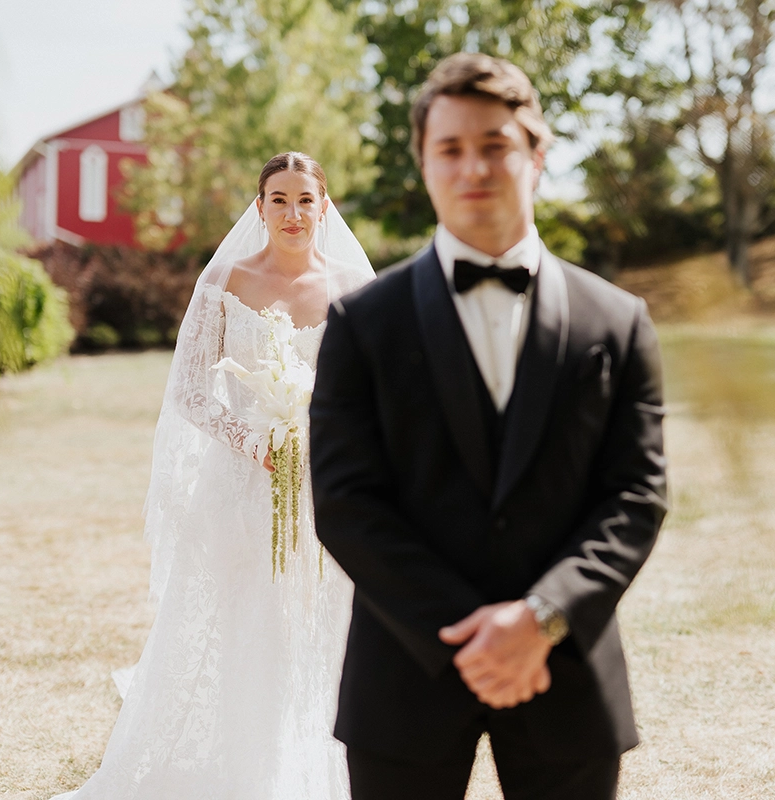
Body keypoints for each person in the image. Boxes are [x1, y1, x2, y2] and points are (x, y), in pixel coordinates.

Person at [310, 54, 669, 800]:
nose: (473, 167)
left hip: (566, 675)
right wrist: (473, 637)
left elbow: (636, 496)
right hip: (403, 679)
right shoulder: (359, 323)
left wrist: (541, 620)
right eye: (450, 149)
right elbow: (346, 502)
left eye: (495, 145)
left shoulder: (619, 321)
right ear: (424, 164)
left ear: (537, 156)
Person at [54, 152, 375, 800]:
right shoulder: (226, 280)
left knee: (319, 629)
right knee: (244, 625)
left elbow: (374, 390)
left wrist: (324, 442)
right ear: (258, 207)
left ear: (324, 205)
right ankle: (244, 773)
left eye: (304, 200)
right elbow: (191, 392)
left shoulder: (351, 286)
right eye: (278, 199)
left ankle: (309, 767)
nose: (292, 213)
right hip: (242, 486)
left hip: (324, 485)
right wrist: (254, 441)